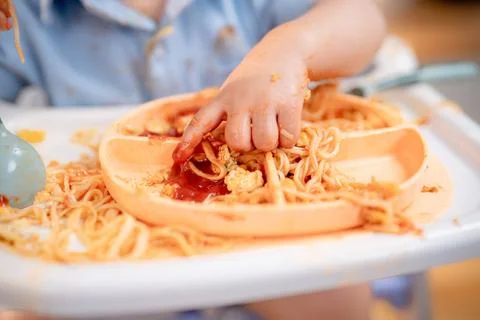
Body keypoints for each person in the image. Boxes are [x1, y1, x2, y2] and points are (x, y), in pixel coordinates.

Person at [0, 1, 386, 319]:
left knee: (340, 299)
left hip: (260, 229)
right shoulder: (26, 13)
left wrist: (293, 47)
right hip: (106, 253)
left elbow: (362, 17)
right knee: (45, 299)